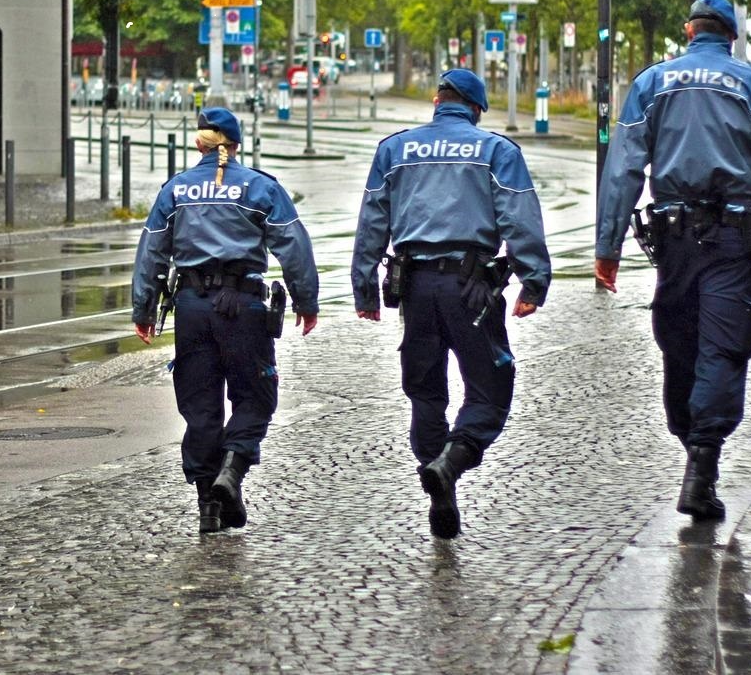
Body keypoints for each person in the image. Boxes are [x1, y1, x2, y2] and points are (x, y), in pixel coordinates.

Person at [594, 0, 751, 521]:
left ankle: (693, 449)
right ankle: (702, 459)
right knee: (723, 343)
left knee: (680, 342)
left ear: (689, 30)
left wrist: (608, 247)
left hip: (671, 241)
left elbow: (623, 168)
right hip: (732, 239)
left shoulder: (651, 83)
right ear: (731, 36)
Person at [351, 69, 551, 539]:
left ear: (437, 102)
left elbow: (372, 222)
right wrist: (533, 282)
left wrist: (363, 287)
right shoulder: (497, 150)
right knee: (489, 387)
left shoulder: (395, 150)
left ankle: (439, 480)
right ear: (476, 109)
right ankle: (452, 460)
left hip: (415, 287)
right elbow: (519, 219)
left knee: (425, 391)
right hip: (472, 289)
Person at [132, 107, 319, 534]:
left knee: (201, 407)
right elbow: (293, 245)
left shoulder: (175, 190)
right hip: (243, 306)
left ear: (198, 143)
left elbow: (151, 255)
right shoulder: (259, 188)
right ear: (234, 146)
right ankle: (231, 473)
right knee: (255, 396)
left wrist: (142, 310)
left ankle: (208, 509)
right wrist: (306, 301)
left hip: (192, 308)